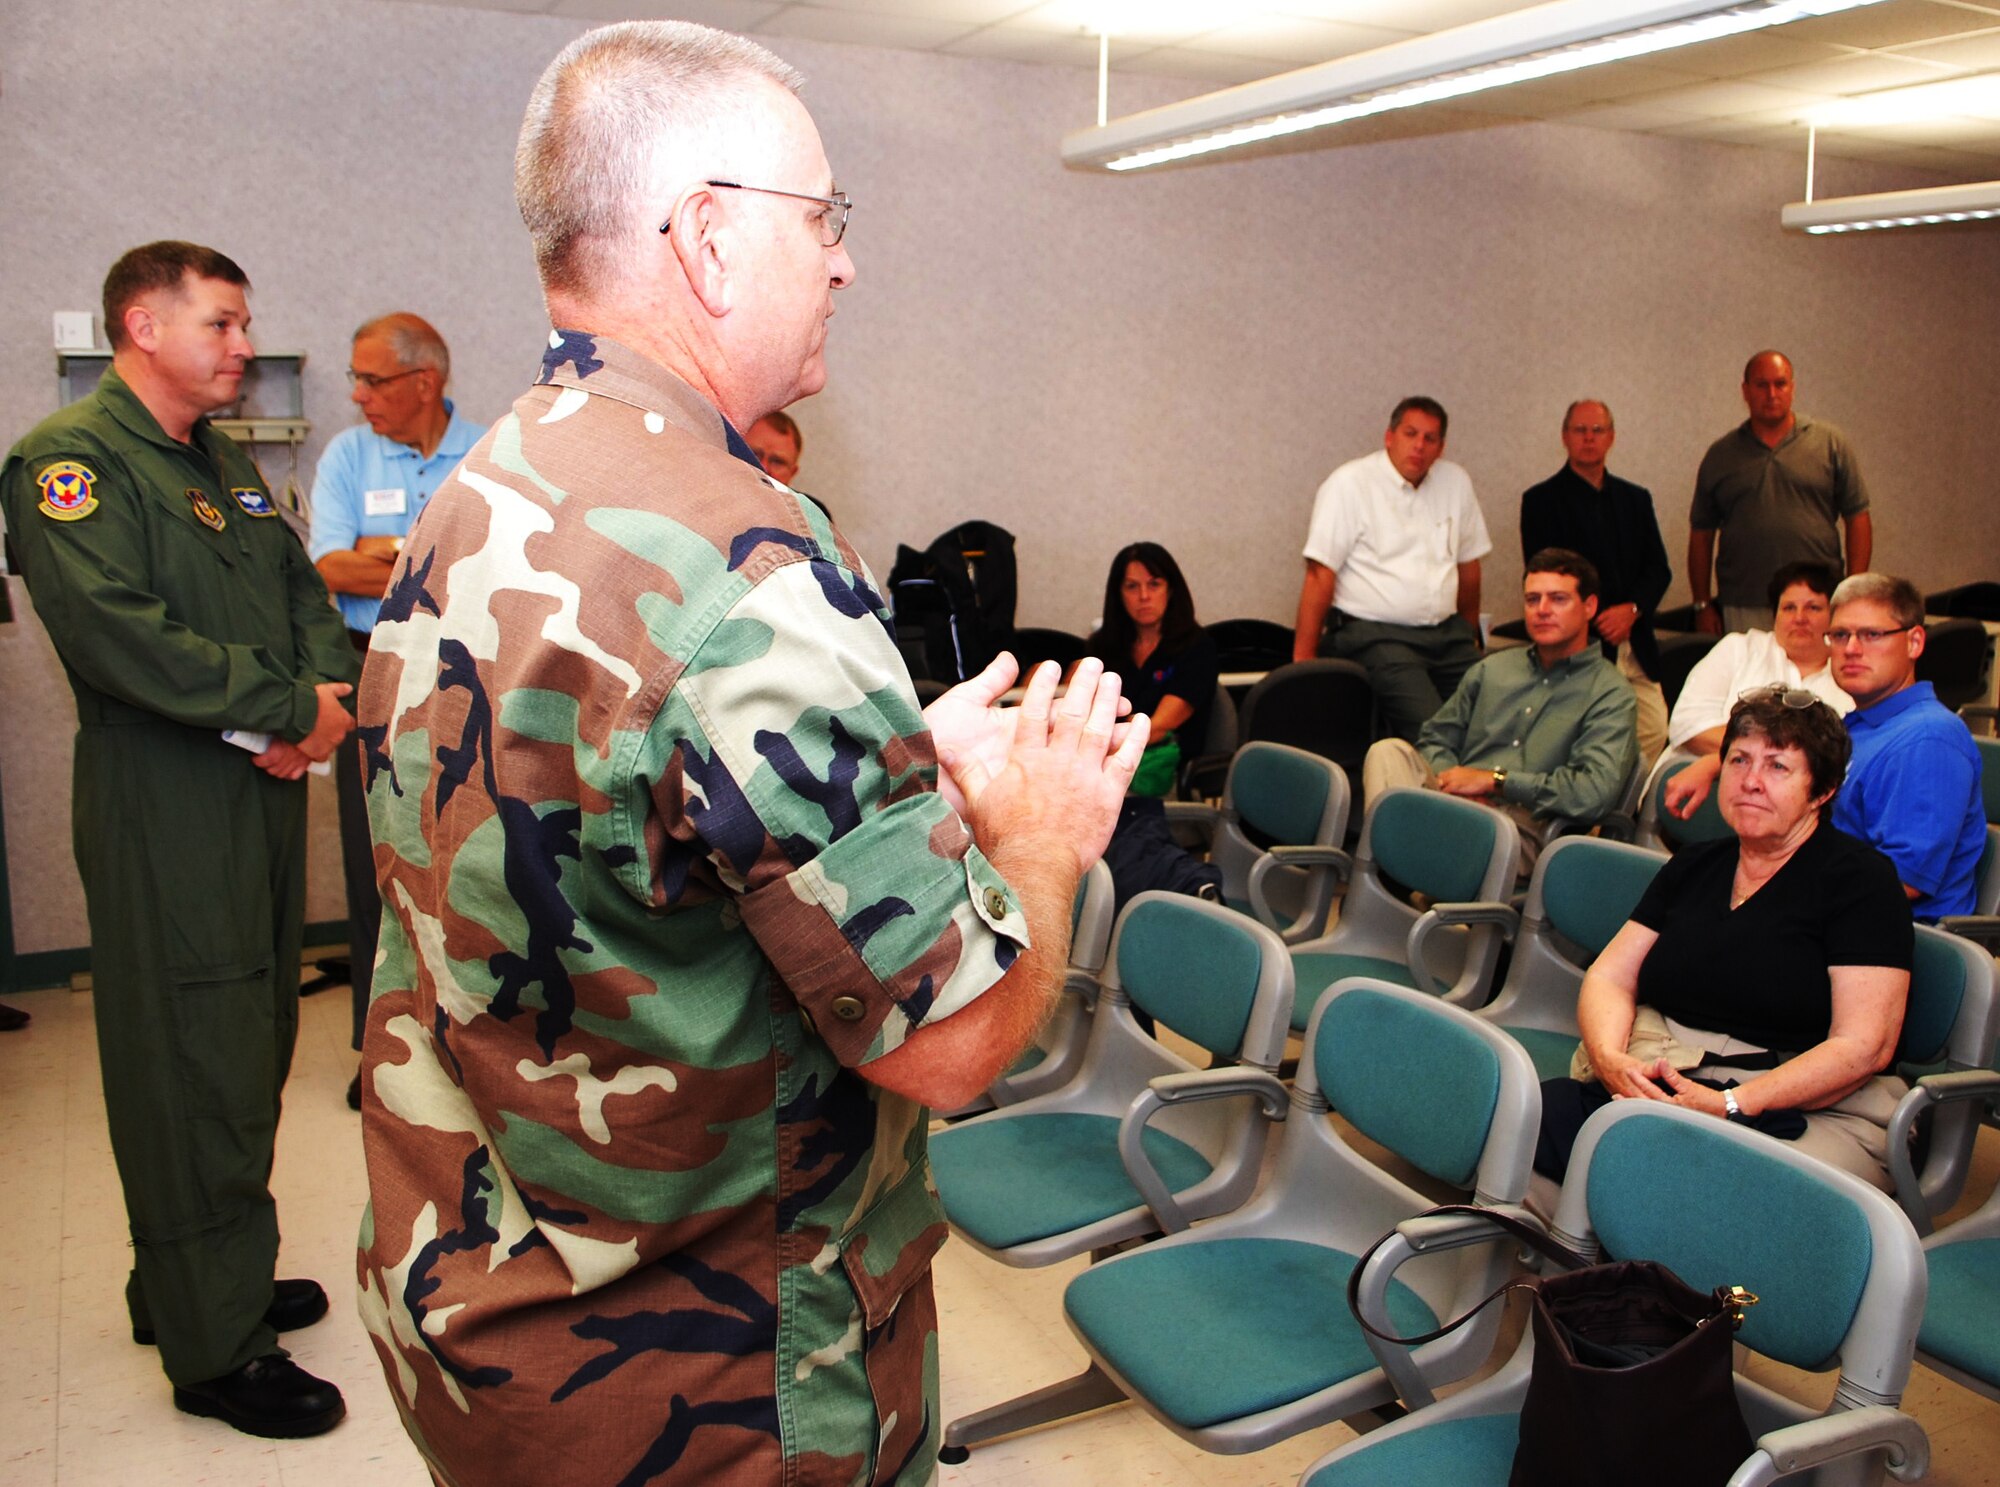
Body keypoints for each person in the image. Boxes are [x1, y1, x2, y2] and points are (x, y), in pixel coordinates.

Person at [352, 23, 1142, 1487]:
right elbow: (950, 1044)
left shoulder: (480, 489)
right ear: (710, 239)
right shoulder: (748, 569)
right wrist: (1036, 832)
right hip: (717, 1392)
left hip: (491, 1327)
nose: (845, 262)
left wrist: (897, 774)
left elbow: (603, 830)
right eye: (824, 218)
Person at [0, 241, 358, 1437]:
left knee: (249, 1034)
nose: (244, 345)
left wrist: (317, 702)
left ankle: (193, 1278)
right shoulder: (68, 463)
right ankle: (217, 1345)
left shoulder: (221, 460)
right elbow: (118, 635)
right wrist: (285, 706)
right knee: (190, 1052)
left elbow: (300, 593)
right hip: (163, 794)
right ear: (142, 327)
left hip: (256, 784)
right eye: (222, 323)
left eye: (245, 323)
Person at [1537, 689, 1913, 1192]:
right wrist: (1610, 1060)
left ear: (1821, 791)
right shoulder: (1697, 863)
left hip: (1793, 1101)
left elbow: (1865, 1046)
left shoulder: (1862, 881)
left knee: (1699, 1183)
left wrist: (1731, 1103)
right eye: (1739, 760)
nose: (1751, 781)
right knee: (1529, 1120)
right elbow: (1610, 976)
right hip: (1665, 1070)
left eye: (1777, 766)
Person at [306, 313, 485, 1109]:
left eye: (372, 379)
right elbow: (330, 567)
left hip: (461, 676)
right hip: (372, 668)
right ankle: (377, 1043)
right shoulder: (349, 455)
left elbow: (489, 566)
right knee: (374, 860)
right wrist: (413, 555)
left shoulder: (486, 448)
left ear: (425, 382)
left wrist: (382, 552)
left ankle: (468, 1037)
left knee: (460, 857)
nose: (358, 395)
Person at [1362, 549, 1637, 869]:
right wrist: (1454, 784)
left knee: (1446, 830)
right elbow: (1436, 738)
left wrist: (1497, 782)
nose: (1542, 610)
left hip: (1523, 830)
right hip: (1453, 805)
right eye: (1532, 600)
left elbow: (1592, 793)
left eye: (1558, 599)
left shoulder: (1610, 694)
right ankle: (1411, 865)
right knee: (1388, 752)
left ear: (1589, 607)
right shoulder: (1492, 669)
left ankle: (1401, 867)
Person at [1293, 396, 1491, 741]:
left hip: (1447, 636)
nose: (1419, 446)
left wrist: (1470, 636)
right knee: (1434, 730)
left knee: (1496, 716)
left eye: (1430, 438)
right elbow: (1319, 573)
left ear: (1441, 447)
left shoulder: (1456, 482)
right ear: (1389, 437)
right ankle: (1444, 777)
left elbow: (1469, 565)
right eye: (1410, 434)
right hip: (1377, 636)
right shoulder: (1350, 483)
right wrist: (1303, 663)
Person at [1519, 399, 1671, 764]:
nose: (1589, 438)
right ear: (1565, 437)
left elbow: (1658, 569)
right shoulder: (1541, 501)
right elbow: (1545, 576)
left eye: (1597, 430)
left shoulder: (1635, 499)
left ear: (1611, 437)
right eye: (1580, 430)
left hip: (1634, 640)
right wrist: (1599, 615)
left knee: (1654, 729)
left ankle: (1628, 798)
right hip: (1579, 644)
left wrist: (1631, 610)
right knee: (1586, 740)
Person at [1825, 574, 1984, 920]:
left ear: (1914, 642)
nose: (1851, 648)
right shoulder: (1860, 724)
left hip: (1893, 935)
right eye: (1840, 635)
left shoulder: (1928, 738)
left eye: (1871, 634)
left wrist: (1791, 892)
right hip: (1840, 917)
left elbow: (1902, 880)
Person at [1687, 351, 1871, 636]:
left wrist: (1852, 592)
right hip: (1745, 602)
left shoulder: (1829, 443)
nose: (1771, 394)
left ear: (1792, 388)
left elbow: (1857, 517)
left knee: (1817, 666)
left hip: (1818, 598)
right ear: (1745, 391)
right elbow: (1701, 533)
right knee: (1752, 668)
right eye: (1761, 385)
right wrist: (1702, 604)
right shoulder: (1720, 455)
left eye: (1780, 384)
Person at [1084, 542, 1224, 907]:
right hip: (1105, 768)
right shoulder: (1105, 647)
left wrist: (1097, 740)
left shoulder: (1197, 647)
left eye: (1154, 584)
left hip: (1162, 776)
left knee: (1109, 824)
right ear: (1118, 594)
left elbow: (1156, 728)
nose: (1143, 596)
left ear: (1171, 589)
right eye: (1132, 586)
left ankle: (1191, 886)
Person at [1661, 561, 1851, 813]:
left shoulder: (1851, 674)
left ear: (1836, 617)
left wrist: (1737, 756)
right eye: (1789, 608)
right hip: (1703, 801)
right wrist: (1785, 759)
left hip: (1809, 813)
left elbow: (1847, 756)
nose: (1799, 618)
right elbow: (1689, 726)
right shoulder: (1739, 649)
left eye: (1813, 608)